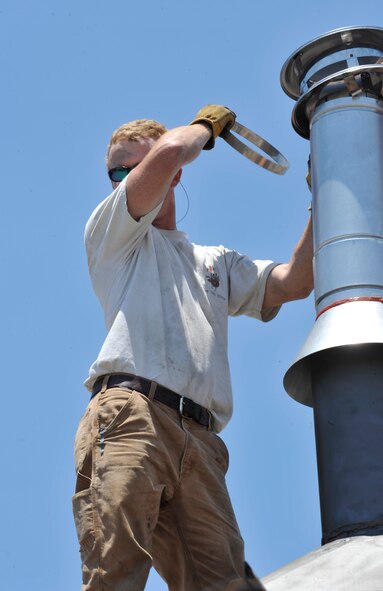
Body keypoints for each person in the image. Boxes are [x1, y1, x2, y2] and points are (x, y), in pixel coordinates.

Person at [72, 105, 313, 591]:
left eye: (131, 168)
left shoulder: (214, 263)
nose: (122, 181)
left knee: (223, 583)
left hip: (200, 440)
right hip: (131, 414)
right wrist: (206, 127)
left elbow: (294, 283)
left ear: (176, 177)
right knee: (115, 570)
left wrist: (322, 196)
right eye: (115, 172)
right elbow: (169, 150)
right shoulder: (114, 233)